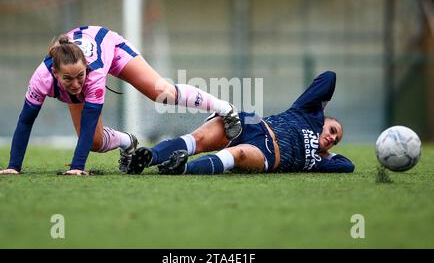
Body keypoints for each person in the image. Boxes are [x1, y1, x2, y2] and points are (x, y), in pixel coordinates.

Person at [0, 25, 242, 176]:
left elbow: (91, 115)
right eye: (68, 79)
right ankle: (128, 141)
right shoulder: (41, 78)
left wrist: (77, 166)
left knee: (161, 92)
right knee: (93, 141)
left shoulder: (92, 76)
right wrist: (13, 166)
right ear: (55, 74)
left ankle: (224, 108)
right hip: (77, 62)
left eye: (79, 76)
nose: (76, 84)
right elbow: (26, 121)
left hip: (111, 48)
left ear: (87, 69)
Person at [123, 71, 354, 175]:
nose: (333, 138)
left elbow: (347, 165)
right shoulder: (307, 113)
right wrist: (317, 110)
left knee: (238, 154)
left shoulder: (318, 161)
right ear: (322, 120)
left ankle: (181, 168)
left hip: (269, 153)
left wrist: (324, 154)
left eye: (336, 140)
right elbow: (329, 77)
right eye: (333, 130)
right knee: (199, 140)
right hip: (255, 122)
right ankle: (147, 158)